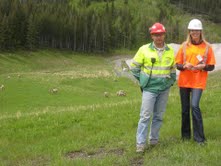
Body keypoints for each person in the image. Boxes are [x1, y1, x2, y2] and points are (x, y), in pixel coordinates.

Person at [130, 22, 176, 153]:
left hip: (164, 89)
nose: (158, 37)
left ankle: (154, 140)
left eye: (160, 34)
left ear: (164, 35)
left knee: (159, 116)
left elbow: (173, 70)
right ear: (152, 36)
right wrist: (143, 80)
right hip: (149, 89)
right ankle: (140, 143)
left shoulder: (170, 51)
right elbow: (134, 67)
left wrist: (170, 82)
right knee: (145, 116)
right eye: (156, 35)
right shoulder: (144, 49)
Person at [175, 19, 216, 144]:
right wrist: (184, 66)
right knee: (185, 109)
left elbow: (211, 66)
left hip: (198, 82)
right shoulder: (184, 46)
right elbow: (177, 65)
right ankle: (185, 137)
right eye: (192, 30)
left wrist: (203, 67)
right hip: (184, 82)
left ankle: (199, 139)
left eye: (197, 30)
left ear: (201, 31)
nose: (195, 32)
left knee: (194, 106)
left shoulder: (207, 47)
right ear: (189, 32)